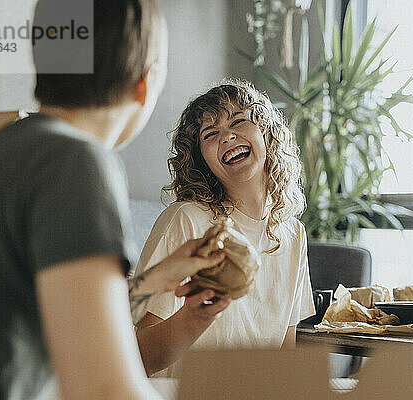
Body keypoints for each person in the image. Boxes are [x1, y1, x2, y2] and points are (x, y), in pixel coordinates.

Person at [0, 1, 225, 399]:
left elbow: (74, 324)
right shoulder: (74, 160)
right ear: (146, 82)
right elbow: (103, 388)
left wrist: (162, 274)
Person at [131, 79, 316, 377]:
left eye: (239, 122)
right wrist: (196, 315)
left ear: (267, 134)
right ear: (203, 162)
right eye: (210, 134)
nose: (227, 137)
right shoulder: (187, 219)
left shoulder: (293, 233)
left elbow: (283, 352)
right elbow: (139, 356)